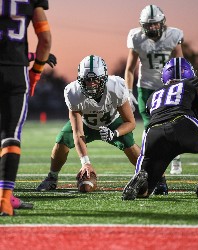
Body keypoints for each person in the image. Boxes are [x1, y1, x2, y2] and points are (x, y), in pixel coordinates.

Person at [122, 57, 198, 201]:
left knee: (144, 192)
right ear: (189, 73)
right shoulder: (194, 82)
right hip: (183, 124)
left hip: (153, 133)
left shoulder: (153, 95)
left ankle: (141, 180)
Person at [36, 55, 141, 191]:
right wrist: (85, 163)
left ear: (103, 78)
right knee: (62, 139)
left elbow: (130, 122)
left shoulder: (116, 86)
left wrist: (115, 133)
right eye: (87, 80)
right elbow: (78, 132)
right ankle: (52, 177)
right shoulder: (73, 92)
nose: (91, 84)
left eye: (95, 80)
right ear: (80, 80)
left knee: (129, 143)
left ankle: (153, 176)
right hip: (86, 125)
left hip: (112, 123)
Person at [124, 5, 184, 194]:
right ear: (142, 26)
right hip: (146, 89)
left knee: (173, 125)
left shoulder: (173, 36)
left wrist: (181, 86)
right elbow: (129, 68)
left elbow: (179, 64)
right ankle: (158, 172)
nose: (152, 29)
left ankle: (175, 157)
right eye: (148, 26)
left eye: (155, 25)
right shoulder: (136, 37)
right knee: (151, 129)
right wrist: (128, 90)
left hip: (167, 87)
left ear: (162, 23)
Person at [0, 0, 51, 216]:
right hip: (14, 72)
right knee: (10, 135)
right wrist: (36, 71)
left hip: (15, 63)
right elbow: (45, 40)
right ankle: (4, 200)